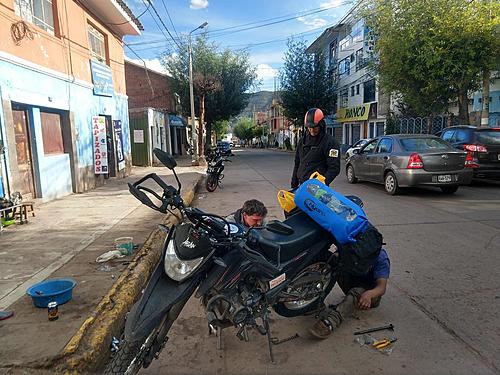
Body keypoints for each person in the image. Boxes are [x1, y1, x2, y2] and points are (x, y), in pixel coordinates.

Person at [309, 249, 390, 339]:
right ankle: (315, 302)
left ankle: (331, 321)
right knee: (335, 265)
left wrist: (369, 295)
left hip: (370, 295)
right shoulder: (356, 247)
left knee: (356, 292)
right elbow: (335, 257)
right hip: (353, 282)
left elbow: (381, 288)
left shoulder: (380, 258)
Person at [291, 108, 341, 189]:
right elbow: (297, 162)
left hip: (318, 188)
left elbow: (334, 168)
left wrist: (321, 184)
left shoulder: (330, 143)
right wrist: (294, 182)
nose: (312, 130)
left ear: (321, 125)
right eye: (309, 127)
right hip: (302, 186)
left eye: (315, 127)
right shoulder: (302, 141)